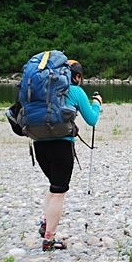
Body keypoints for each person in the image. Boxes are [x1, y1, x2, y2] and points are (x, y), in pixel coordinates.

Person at [34, 59, 102, 250]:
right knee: (59, 191)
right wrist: (96, 104)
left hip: (38, 144)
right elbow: (92, 120)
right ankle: (49, 238)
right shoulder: (75, 91)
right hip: (61, 146)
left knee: (54, 186)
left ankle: (46, 222)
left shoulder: (42, 91)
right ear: (77, 76)